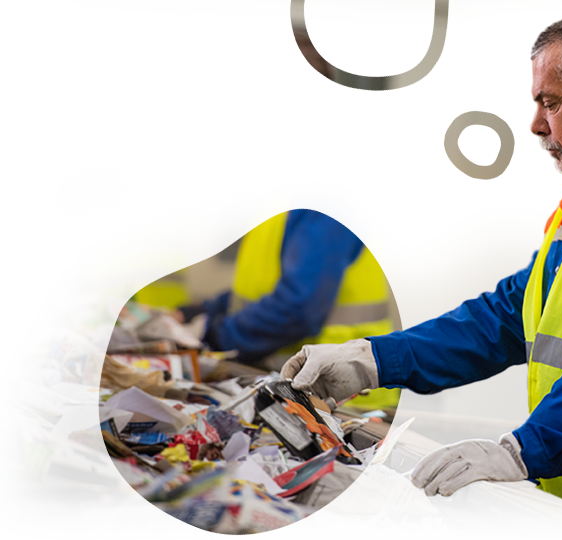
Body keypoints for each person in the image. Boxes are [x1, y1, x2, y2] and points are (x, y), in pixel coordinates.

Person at [282, 6, 562, 539]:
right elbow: (506, 317)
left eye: (551, 103)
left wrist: (524, 450)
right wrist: (375, 360)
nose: (535, 124)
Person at [177, 31, 399, 409]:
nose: (249, 107)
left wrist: (213, 336)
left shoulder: (324, 183)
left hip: (338, 405)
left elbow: (298, 309)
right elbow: (267, 286)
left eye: (253, 90)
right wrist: (201, 312)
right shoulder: (298, 178)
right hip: (309, 395)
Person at [21, 39, 195, 308]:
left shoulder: (102, 138)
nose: (101, 91)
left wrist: (28, 251)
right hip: (167, 311)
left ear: (121, 76)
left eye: (102, 80)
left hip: (112, 310)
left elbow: (64, 228)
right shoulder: (170, 139)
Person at [0, 80, 74, 246]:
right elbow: (40, 205)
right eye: (19, 121)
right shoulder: (50, 158)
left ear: (58, 120)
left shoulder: (67, 160)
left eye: (28, 120)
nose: (20, 130)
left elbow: (51, 230)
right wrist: (12, 186)